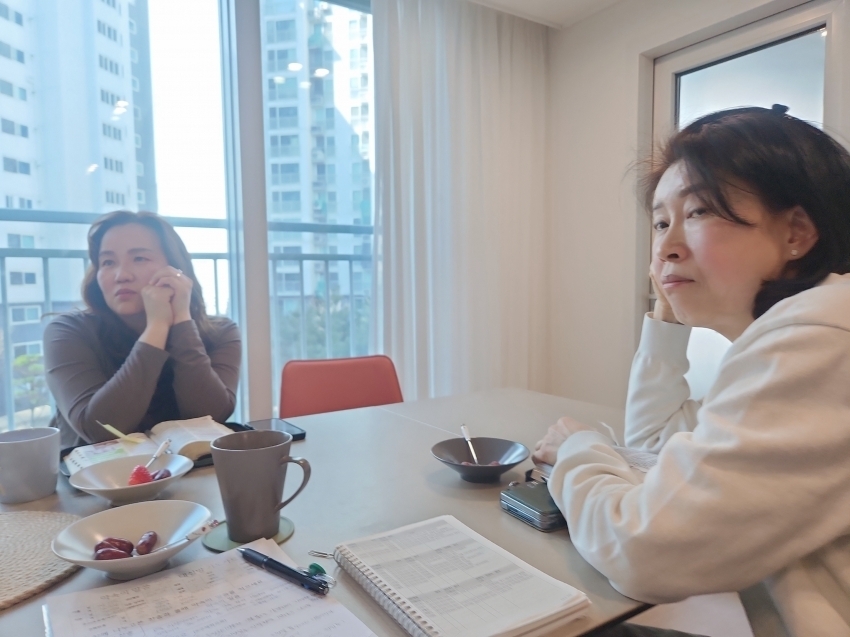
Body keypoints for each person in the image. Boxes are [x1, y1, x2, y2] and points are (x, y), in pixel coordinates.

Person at [533, 106, 850, 637]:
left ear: (796, 231)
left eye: (699, 211)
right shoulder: (797, 335)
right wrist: (666, 311)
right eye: (661, 222)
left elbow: (642, 551)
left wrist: (577, 450)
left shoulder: (821, 335)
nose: (664, 247)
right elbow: (652, 443)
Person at [44, 210, 242, 448]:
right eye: (108, 262)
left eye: (139, 258)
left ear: (175, 269)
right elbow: (102, 431)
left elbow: (211, 417)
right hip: (94, 471)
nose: (121, 275)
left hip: (190, 469)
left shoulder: (220, 332)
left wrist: (181, 320)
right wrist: (157, 328)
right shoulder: (68, 332)